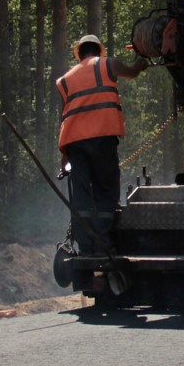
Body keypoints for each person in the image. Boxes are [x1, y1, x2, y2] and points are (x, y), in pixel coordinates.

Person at [56, 34, 148, 255]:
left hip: (75, 144)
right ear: (99, 51)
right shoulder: (108, 64)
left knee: (82, 196)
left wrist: (65, 153)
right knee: (105, 190)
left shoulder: (65, 79)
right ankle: (104, 243)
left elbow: (64, 117)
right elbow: (133, 71)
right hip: (102, 139)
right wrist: (143, 57)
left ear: (80, 53)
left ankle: (86, 246)